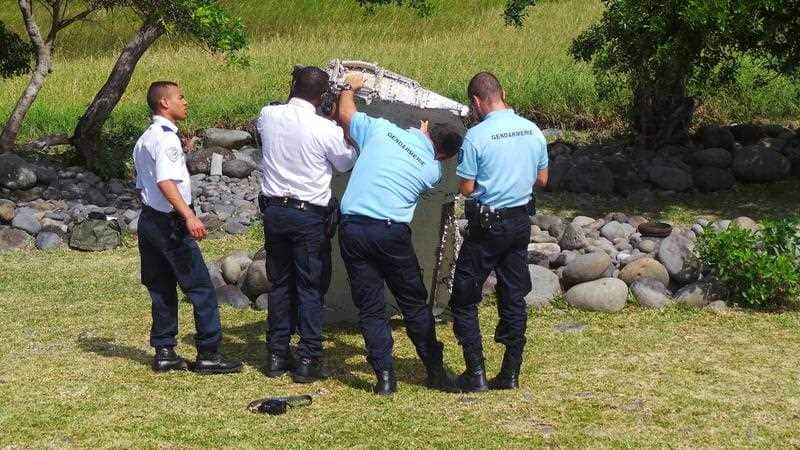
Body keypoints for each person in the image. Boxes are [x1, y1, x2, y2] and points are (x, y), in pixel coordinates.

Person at [335, 73, 464, 395]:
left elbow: (345, 115)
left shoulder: (381, 131)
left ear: (427, 128)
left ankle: (385, 378)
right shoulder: (431, 170)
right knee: (413, 304)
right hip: (391, 234)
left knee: (370, 305)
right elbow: (422, 156)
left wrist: (350, 86)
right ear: (445, 156)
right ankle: (435, 370)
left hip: (353, 228)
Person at [449, 72, 549, 392]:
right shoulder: (532, 130)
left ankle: (475, 372)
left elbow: (466, 188)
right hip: (520, 222)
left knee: (464, 296)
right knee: (514, 294)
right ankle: (510, 372)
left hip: (487, 226)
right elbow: (543, 180)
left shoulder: (477, 137)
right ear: (502, 92)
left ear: (476, 102)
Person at [256, 66, 357, 383]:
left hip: (274, 211)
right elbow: (345, 162)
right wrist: (345, 131)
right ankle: (309, 357)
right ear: (323, 96)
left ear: (293, 88)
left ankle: (276, 353)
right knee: (311, 287)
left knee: (280, 282)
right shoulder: (324, 130)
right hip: (308, 214)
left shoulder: (268, 115)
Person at [133, 81, 242, 374]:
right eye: (180, 97)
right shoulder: (167, 139)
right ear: (164, 103)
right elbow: (165, 181)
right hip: (170, 221)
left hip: (149, 219)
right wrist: (188, 216)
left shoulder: (145, 138)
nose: (186, 101)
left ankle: (164, 350)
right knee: (201, 288)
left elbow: (142, 183)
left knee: (161, 287)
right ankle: (208, 352)